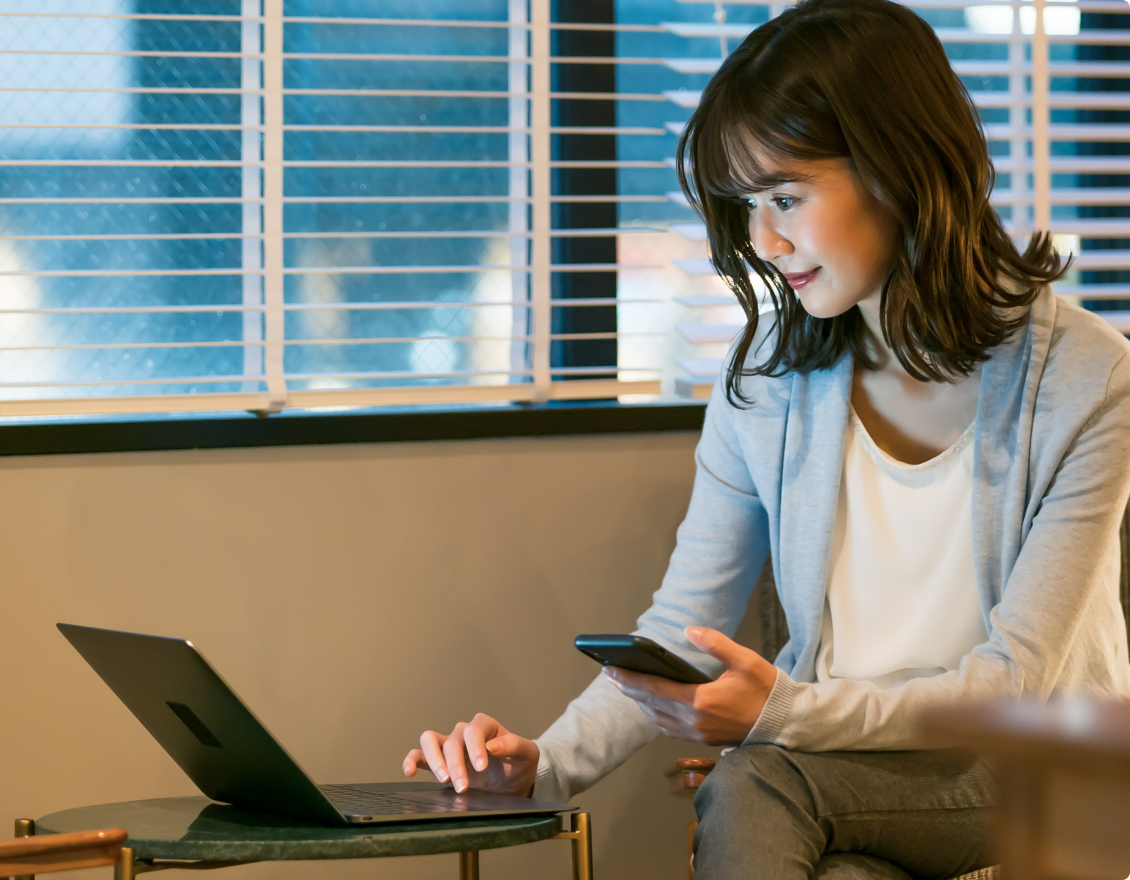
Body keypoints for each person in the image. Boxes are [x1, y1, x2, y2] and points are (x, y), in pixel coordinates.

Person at [402, 0, 1130, 876]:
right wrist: (543, 764)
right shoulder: (769, 379)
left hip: (1041, 776)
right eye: (748, 205)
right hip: (845, 777)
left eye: (786, 196)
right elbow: (682, 629)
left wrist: (780, 720)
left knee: (756, 784)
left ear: (899, 166)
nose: (765, 240)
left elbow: (1016, 684)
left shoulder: (1089, 378)